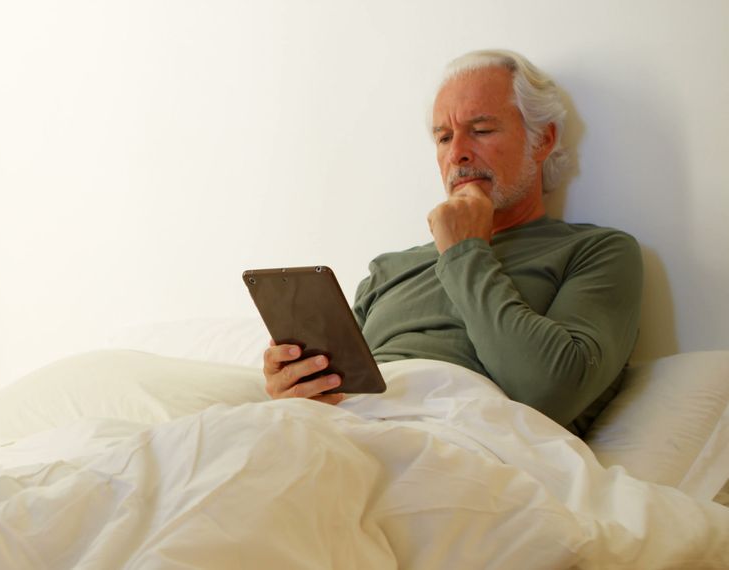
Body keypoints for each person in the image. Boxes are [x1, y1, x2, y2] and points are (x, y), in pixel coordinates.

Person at [262, 49, 642, 435]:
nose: (457, 154)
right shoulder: (389, 269)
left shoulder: (597, 252)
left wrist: (464, 252)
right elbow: (340, 392)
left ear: (542, 140)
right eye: (443, 137)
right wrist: (297, 387)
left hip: (457, 444)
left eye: (481, 130)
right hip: (347, 432)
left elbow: (549, 393)